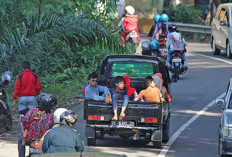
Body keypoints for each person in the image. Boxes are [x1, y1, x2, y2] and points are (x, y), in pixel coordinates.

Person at [13, 61, 42, 132]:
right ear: (30, 67)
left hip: (22, 98)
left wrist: (15, 98)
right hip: (32, 97)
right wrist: (37, 93)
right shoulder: (34, 75)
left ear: (22, 68)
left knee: (22, 115)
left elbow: (17, 88)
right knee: (33, 114)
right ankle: (32, 131)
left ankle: (24, 133)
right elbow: (38, 87)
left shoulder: (20, 76)